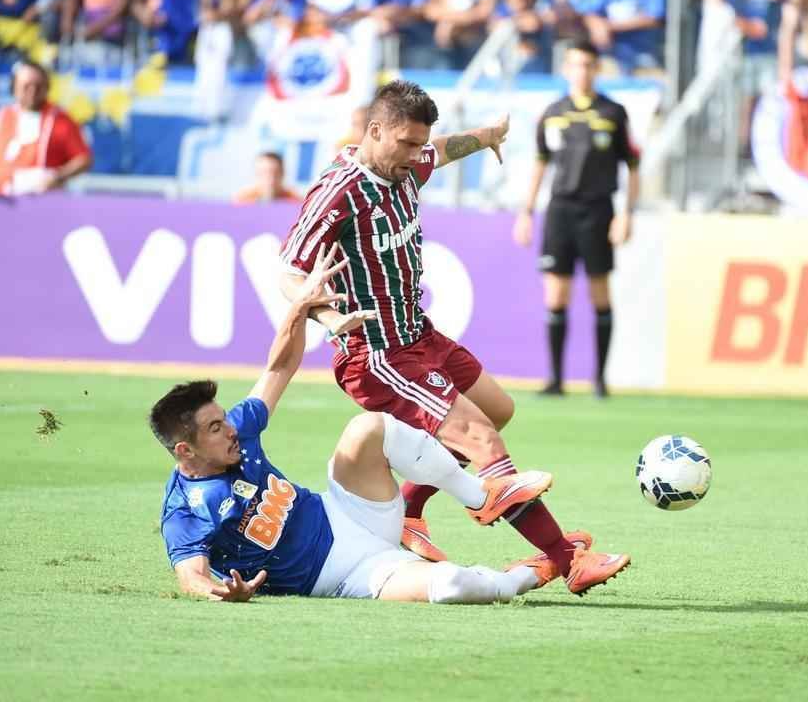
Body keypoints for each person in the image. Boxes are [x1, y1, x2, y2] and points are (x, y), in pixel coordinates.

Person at [278, 79, 630, 595]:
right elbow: (289, 269)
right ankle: (567, 558)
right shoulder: (339, 191)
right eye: (405, 144)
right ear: (374, 131)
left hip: (418, 334)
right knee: (483, 438)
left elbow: (437, 153)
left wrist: (485, 136)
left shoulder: (405, 163)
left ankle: (411, 511)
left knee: (499, 408)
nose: (415, 155)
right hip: (377, 353)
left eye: (419, 143)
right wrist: (325, 315)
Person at [156, 246, 563, 604]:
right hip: (343, 574)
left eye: (223, 419)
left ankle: (480, 495)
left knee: (368, 429)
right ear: (185, 450)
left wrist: (299, 307)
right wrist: (222, 593)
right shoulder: (183, 509)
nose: (229, 429)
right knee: (454, 585)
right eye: (214, 428)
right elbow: (191, 575)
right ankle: (532, 572)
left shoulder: (238, 430)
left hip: (347, 509)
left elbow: (278, 367)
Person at [513, 40, 639, 399]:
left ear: (596, 69)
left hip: (599, 210)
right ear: (566, 69)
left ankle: (599, 379)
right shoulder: (552, 113)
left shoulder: (613, 113)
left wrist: (627, 213)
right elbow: (540, 163)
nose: (581, 72)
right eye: (575, 65)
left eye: (588, 65)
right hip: (560, 210)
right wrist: (526, 211)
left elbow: (633, 167)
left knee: (600, 292)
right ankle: (556, 379)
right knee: (556, 293)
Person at [0, 60, 92, 196]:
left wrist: (57, 177)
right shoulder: (4, 115)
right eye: (26, 86)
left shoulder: (61, 120)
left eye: (38, 86)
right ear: (14, 87)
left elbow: (83, 159)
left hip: (39, 204)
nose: (32, 92)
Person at [232, 151, 300, 204]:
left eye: (275, 173)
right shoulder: (242, 200)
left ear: (283, 173)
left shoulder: (295, 202)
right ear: (256, 174)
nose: (270, 178)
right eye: (264, 173)